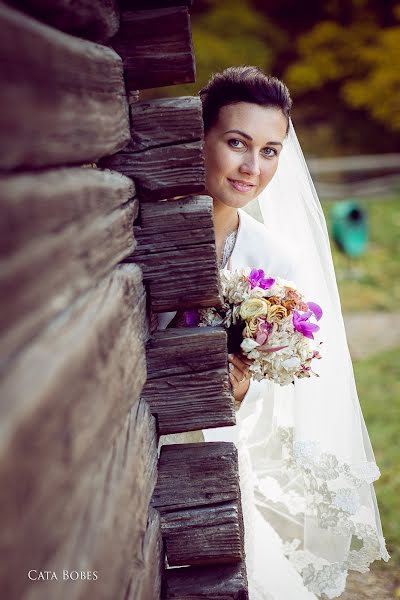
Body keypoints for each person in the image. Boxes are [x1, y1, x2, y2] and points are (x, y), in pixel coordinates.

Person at [158, 66, 389, 599]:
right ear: (199, 135)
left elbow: (269, 374)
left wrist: (243, 385)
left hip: (207, 447)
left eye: (270, 150)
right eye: (237, 143)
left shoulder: (274, 259)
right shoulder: (146, 226)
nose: (251, 167)